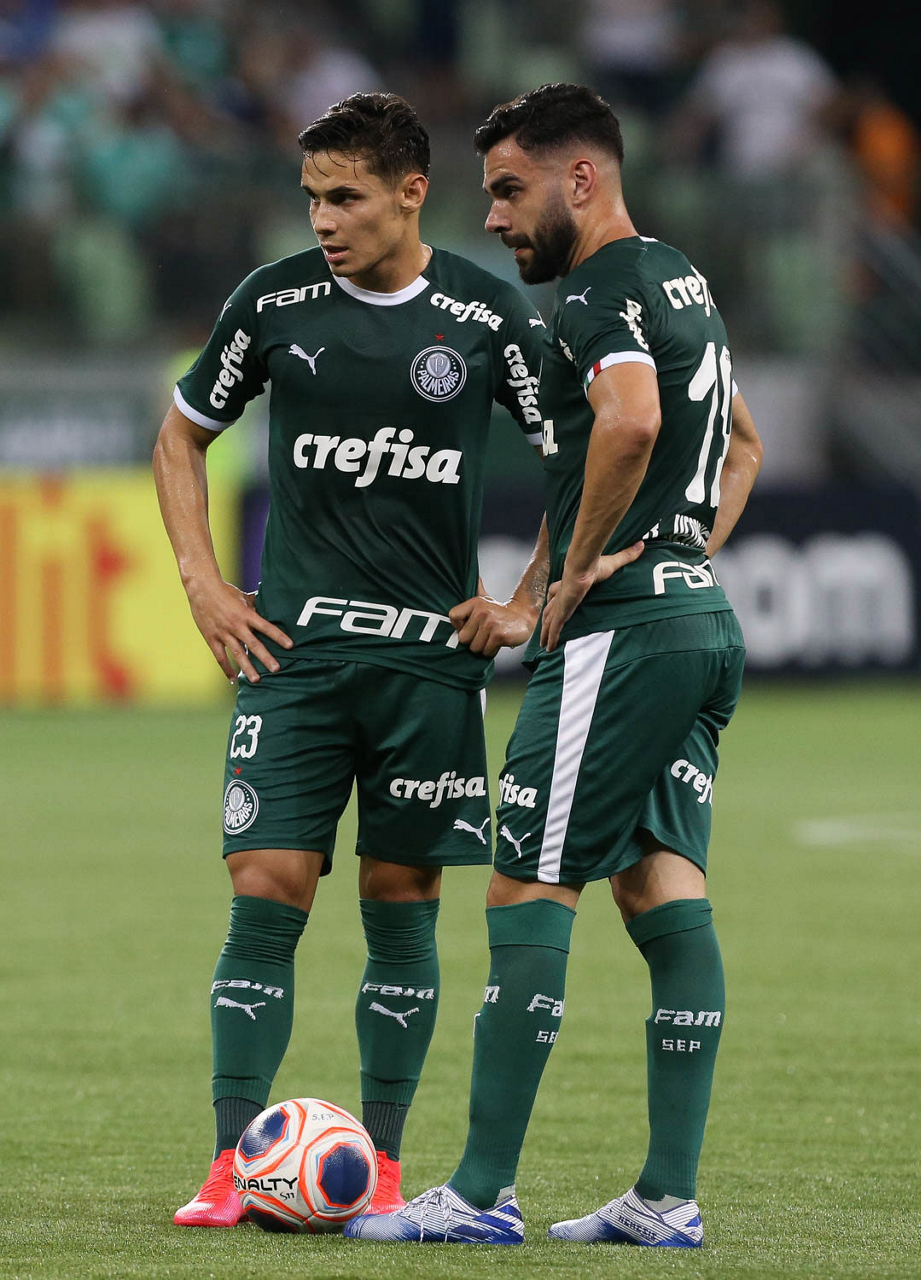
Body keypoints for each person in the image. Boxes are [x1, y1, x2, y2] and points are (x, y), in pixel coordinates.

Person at [345, 81, 763, 1248]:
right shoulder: (683, 281)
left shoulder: (594, 293)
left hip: (622, 638)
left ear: (582, 178)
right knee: (660, 887)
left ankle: (479, 1192)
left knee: (526, 884)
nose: (493, 216)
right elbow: (742, 444)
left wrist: (577, 583)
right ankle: (665, 1199)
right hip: (696, 622)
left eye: (509, 189)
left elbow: (628, 423)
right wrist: (586, 577)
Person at [152, 90, 546, 1228]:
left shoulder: (485, 314)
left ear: (411, 193)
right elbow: (181, 434)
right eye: (312, 197)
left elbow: (582, 456)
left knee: (401, 899)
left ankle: (377, 1165)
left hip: (428, 664)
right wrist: (203, 580)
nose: (323, 218)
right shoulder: (273, 300)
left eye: (346, 197)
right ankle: (230, 1163)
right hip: (297, 653)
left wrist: (525, 599)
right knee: (264, 887)